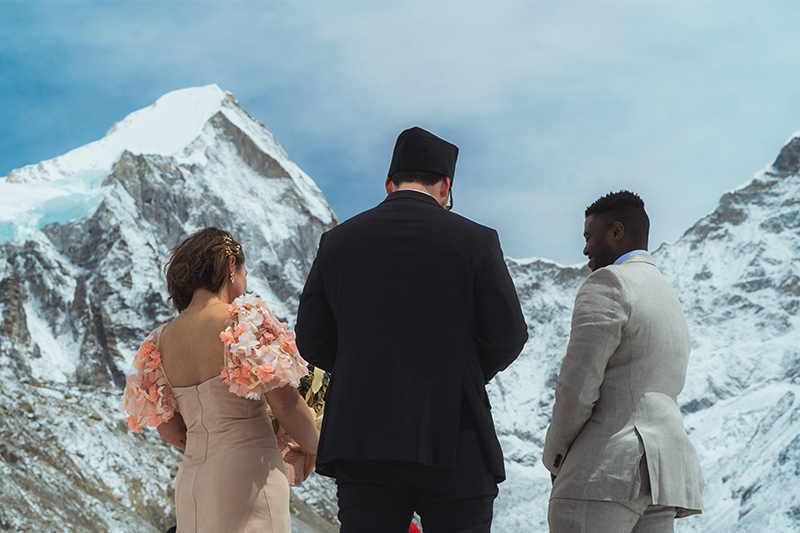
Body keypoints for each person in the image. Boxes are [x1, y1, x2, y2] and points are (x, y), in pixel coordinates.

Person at [295, 126, 529, 533]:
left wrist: (362, 370)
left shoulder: (337, 243)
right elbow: (508, 335)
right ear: (446, 186)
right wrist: (461, 376)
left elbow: (311, 338)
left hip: (362, 438)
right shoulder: (476, 241)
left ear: (389, 183)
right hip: (456, 438)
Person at [122, 227, 319, 533]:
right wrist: (322, 448)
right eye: (244, 270)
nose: (245, 279)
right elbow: (287, 406)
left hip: (193, 484)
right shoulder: (242, 320)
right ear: (231, 265)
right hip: (249, 477)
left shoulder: (158, 342)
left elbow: (171, 431)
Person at [542, 191, 704, 532]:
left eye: (589, 237)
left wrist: (556, 458)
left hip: (605, 471)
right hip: (662, 479)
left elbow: (577, 387)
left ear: (616, 232)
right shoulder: (668, 295)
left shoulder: (610, 282)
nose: (585, 249)